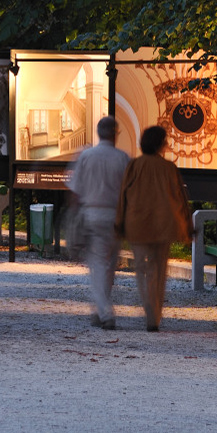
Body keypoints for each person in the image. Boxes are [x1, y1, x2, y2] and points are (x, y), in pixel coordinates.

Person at [115, 125, 193, 332]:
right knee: (158, 270)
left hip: (137, 225)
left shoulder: (134, 165)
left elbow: (122, 196)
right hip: (163, 226)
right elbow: (181, 200)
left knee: (142, 268)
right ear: (161, 144)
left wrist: (119, 223)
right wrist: (188, 226)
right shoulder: (169, 168)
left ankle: (148, 307)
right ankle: (154, 316)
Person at [67, 116, 130, 330]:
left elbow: (75, 192)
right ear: (115, 133)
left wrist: (74, 216)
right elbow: (128, 192)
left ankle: (104, 313)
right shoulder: (123, 158)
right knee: (109, 265)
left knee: (97, 265)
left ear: (98, 132)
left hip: (91, 214)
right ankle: (101, 309)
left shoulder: (86, 156)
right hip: (115, 215)